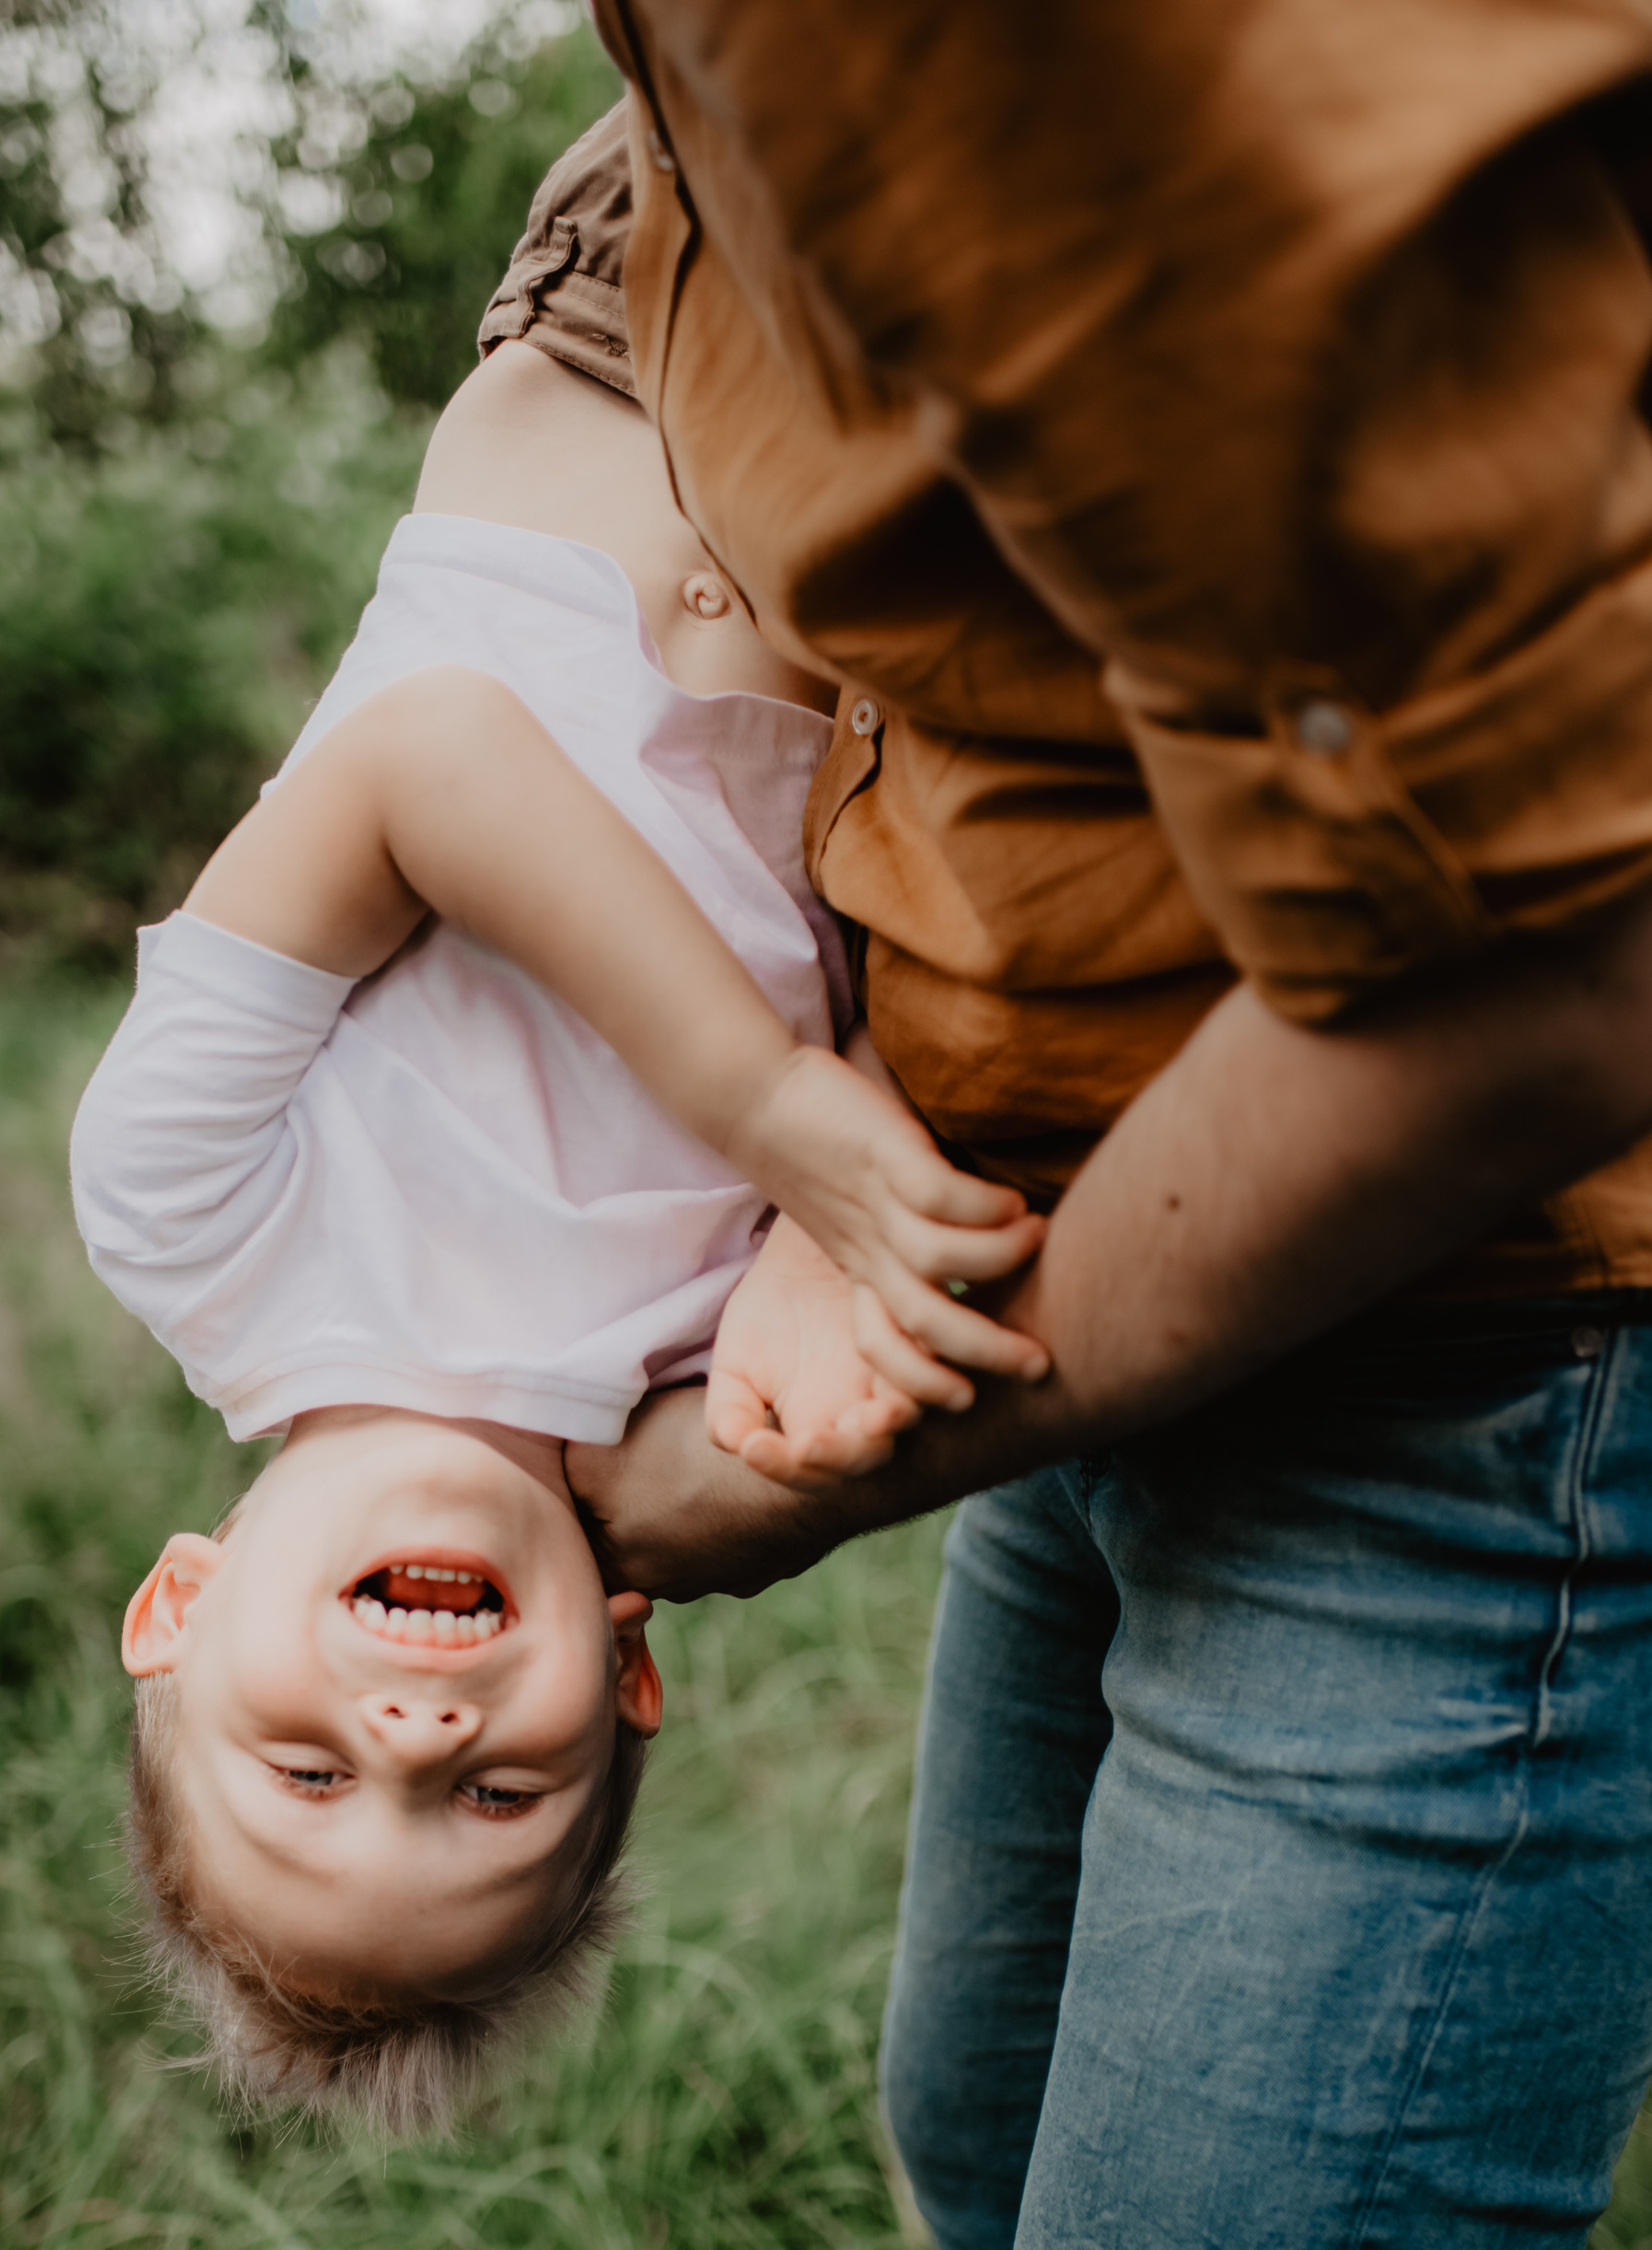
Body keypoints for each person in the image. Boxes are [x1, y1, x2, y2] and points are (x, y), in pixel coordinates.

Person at [489, 22, 1652, 2250]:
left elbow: (1567, 964)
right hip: (1138, 1244)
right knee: (997, 2138)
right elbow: (662, 240)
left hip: (1500, 1338)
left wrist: (798, 1451)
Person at [68, 336, 1047, 2132]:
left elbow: (425, 765)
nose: (412, 1747)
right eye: (494, 1808)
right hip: (933, 503)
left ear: (177, 1612)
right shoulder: (691, 1384)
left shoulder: (190, 1217)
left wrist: (761, 1102)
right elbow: (927, 1030)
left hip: (648, 345)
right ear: (623, 1677)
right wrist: (820, 1248)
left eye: (301, 1771)